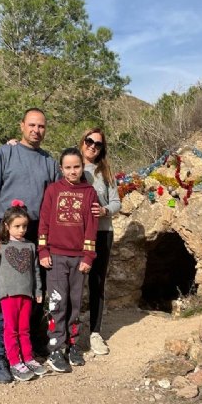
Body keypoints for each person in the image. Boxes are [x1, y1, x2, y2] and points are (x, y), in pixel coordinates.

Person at [0, 108, 61, 384]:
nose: (37, 130)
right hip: (8, 232)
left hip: (37, 234)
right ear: (22, 126)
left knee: (32, 296)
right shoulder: (5, 153)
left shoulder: (49, 161)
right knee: (5, 298)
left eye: (42, 126)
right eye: (32, 125)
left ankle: (26, 353)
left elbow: (60, 192)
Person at [38, 148, 98, 372]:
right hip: (55, 257)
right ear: (61, 169)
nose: (73, 171)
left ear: (83, 167)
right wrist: (43, 251)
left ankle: (72, 345)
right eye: (68, 167)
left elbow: (92, 227)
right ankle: (55, 347)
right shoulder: (53, 191)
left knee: (74, 303)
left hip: (79, 259)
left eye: (77, 167)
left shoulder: (89, 192)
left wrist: (88, 256)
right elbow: (44, 222)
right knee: (57, 303)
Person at [0, 202, 47, 381]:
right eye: (17, 226)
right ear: (6, 226)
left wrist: (38, 290)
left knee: (25, 328)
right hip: (8, 296)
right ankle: (14, 361)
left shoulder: (30, 246)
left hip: (26, 295)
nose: (21, 230)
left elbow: (35, 272)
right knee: (11, 329)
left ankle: (28, 358)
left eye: (24, 226)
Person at [79, 128, 121, 356]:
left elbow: (117, 202)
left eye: (98, 144)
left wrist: (104, 210)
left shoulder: (105, 172)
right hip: (75, 235)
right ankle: (67, 334)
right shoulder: (69, 165)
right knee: (72, 284)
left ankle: (95, 333)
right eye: (89, 141)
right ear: (82, 141)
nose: (93, 146)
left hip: (102, 232)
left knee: (97, 284)